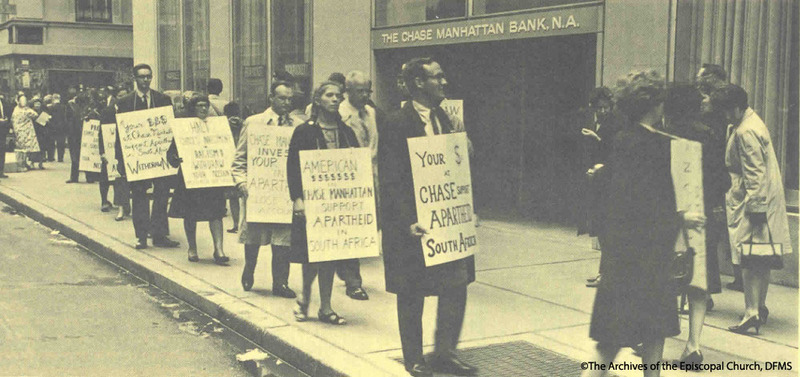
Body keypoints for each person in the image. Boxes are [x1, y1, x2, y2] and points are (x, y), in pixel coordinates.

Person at [583, 71, 704, 377]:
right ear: (655, 105)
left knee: (612, 341)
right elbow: (649, 203)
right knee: (650, 335)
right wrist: (682, 218)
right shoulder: (655, 146)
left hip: (623, 257)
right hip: (647, 257)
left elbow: (621, 197)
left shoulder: (624, 140)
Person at [379, 58, 477, 377]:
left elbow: (455, 169)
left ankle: (446, 352)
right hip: (413, 226)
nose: (444, 82)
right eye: (438, 77)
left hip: (446, 221)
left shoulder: (447, 119)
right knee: (412, 292)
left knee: (456, 284)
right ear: (419, 83)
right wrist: (406, 219)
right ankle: (415, 358)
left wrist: (465, 207)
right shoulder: (396, 122)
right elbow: (391, 179)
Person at [712, 85, 792, 335]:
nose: (724, 115)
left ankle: (751, 312)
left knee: (749, 257)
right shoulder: (751, 122)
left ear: (735, 107)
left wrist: (755, 209)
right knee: (761, 256)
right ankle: (759, 306)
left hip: (753, 199)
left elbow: (754, 173)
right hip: (761, 197)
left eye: (726, 110)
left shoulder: (746, 131)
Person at [663, 83, 725, 364]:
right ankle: (694, 345)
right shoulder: (709, 136)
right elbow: (723, 180)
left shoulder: (662, 136)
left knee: (665, 278)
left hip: (669, 217)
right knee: (698, 281)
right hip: (702, 217)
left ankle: (653, 338)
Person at [287, 81, 356, 326]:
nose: (335, 99)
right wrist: (298, 198)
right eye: (329, 95)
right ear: (318, 100)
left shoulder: (347, 132)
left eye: (338, 95)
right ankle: (305, 298)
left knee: (331, 254)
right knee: (311, 256)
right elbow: (293, 167)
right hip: (312, 201)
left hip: (339, 204)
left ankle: (325, 307)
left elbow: (356, 165)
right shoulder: (305, 131)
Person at [231, 81, 305, 298]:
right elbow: (239, 159)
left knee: (283, 240)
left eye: (290, 99)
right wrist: (241, 182)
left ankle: (280, 282)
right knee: (253, 236)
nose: (286, 103)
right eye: (282, 98)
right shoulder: (254, 123)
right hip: (259, 192)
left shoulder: (298, 125)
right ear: (271, 98)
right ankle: (249, 268)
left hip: (284, 193)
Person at [116, 63, 180, 250]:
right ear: (134, 79)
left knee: (161, 195)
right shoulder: (125, 102)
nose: (145, 80)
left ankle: (160, 235)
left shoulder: (162, 100)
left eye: (148, 76)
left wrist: (172, 153)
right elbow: (120, 133)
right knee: (139, 196)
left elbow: (171, 128)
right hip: (137, 158)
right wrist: (121, 159)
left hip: (160, 157)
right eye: (142, 76)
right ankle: (141, 236)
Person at [166, 94, 229, 264]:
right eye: (199, 105)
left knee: (216, 213)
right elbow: (171, 154)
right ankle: (192, 248)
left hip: (212, 178)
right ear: (193, 108)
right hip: (191, 178)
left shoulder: (218, 127)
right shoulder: (183, 128)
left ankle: (219, 249)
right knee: (190, 214)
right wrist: (175, 158)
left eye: (205, 105)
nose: (203, 108)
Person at [335, 70, 379, 301]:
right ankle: (354, 281)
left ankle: (343, 267)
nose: (364, 95)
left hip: (371, 175)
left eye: (367, 91)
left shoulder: (371, 112)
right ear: (347, 91)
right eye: (359, 91)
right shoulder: (338, 113)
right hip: (348, 179)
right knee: (353, 229)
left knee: (369, 226)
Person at [695, 64, 737, 292]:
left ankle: (709, 285)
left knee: (710, 235)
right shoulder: (715, 107)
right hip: (718, 178)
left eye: (701, 78)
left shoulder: (715, 109)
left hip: (715, 178)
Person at [576, 87, 619, 288]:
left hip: (608, 180)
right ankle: (604, 271)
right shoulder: (598, 122)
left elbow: (614, 152)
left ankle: (607, 274)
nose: (602, 111)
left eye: (605, 107)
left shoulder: (614, 124)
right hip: (597, 178)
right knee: (602, 229)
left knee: (606, 230)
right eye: (599, 108)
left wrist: (597, 139)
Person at [224, 102, 243, 234]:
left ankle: (236, 224)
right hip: (243, 162)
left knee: (233, 197)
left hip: (230, 161)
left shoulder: (223, 125)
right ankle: (244, 224)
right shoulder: (245, 124)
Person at [11, 95, 40, 172]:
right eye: (22, 100)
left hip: (21, 131)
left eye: (24, 100)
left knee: (24, 148)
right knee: (24, 148)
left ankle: (24, 163)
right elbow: (35, 114)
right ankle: (23, 164)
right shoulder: (25, 110)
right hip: (24, 132)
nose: (23, 102)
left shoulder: (16, 109)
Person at [29, 97, 46, 170]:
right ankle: (32, 162)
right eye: (36, 104)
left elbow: (45, 122)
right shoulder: (31, 112)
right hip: (33, 131)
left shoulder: (43, 112)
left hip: (41, 132)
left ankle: (40, 163)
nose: (37, 105)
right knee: (33, 148)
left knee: (42, 148)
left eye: (39, 104)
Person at [0, 93, 10, 178]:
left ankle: (1, 171)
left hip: (2, 131)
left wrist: (6, 119)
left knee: (2, 151)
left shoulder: (3, 101)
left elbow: (8, 113)